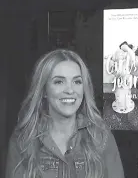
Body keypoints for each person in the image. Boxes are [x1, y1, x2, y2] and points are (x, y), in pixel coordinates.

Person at [5, 49, 125, 178]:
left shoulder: (101, 136)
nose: (70, 90)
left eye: (77, 81)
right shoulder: (23, 138)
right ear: (44, 90)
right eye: (59, 82)